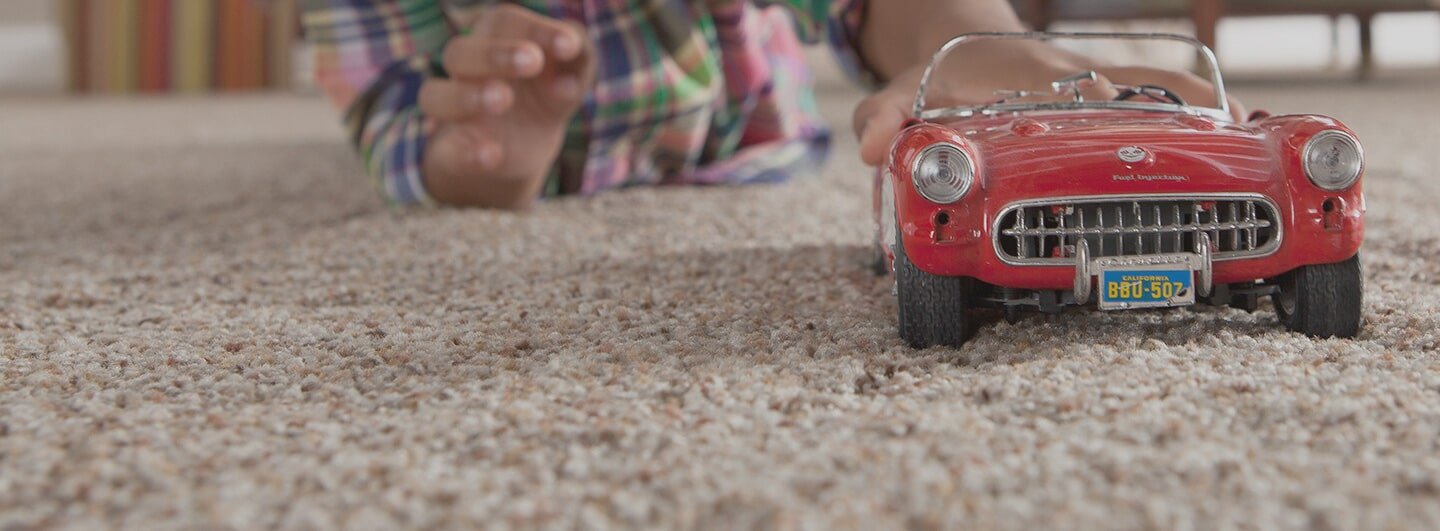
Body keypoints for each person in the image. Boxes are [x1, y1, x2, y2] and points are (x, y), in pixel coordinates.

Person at [300, 0, 1240, 209]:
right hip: (536, 146)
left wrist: (969, 39)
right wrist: (483, 163)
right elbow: (389, 110)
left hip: (748, 120)